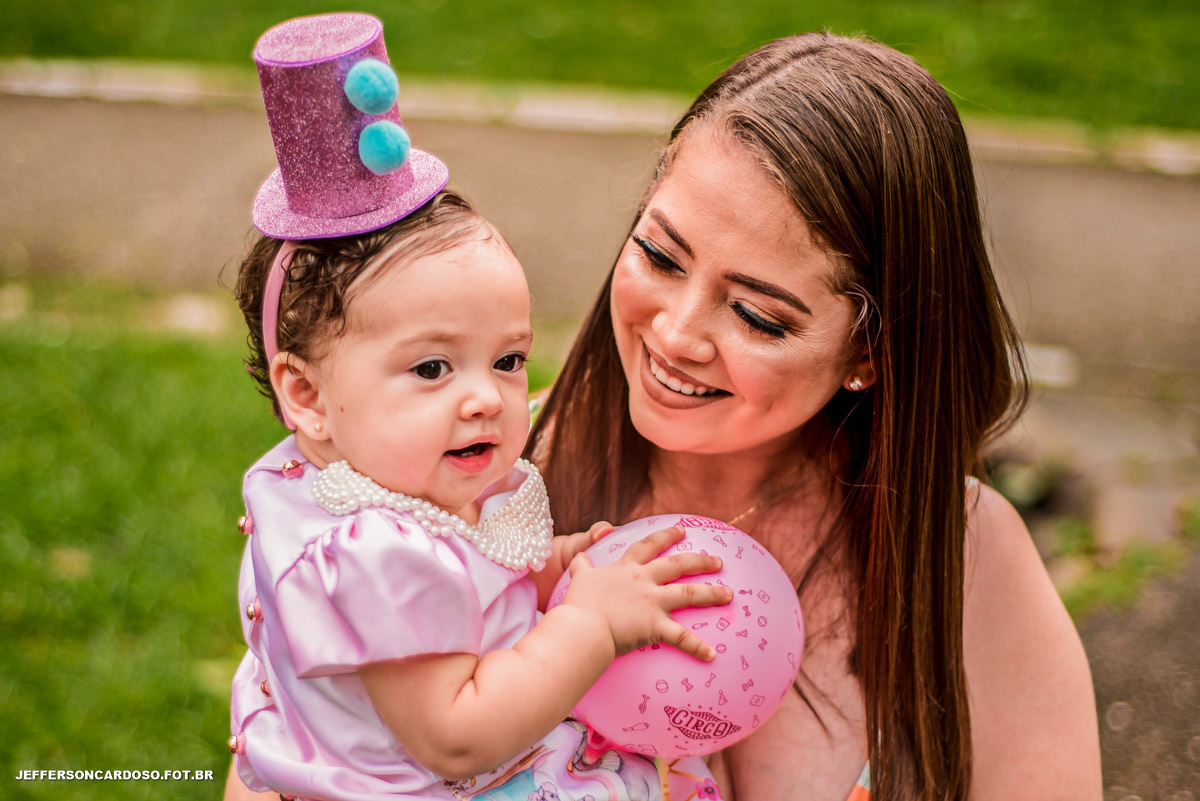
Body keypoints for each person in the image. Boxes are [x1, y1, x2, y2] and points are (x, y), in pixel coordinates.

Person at [525, 33, 1102, 801]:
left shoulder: (959, 554)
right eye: (661, 256)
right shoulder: (491, 483)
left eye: (758, 316)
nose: (674, 332)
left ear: (869, 354)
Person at [225, 13, 731, 801]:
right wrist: (590, 626)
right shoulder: (374, 557)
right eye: (432, 367)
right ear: (307, 394)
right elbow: (458, 734)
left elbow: (457, 602)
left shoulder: (358, 476)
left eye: (508, 360)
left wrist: (551, 574)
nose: (486, 398)